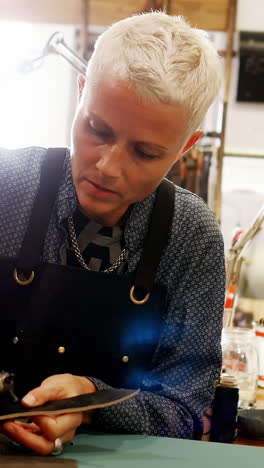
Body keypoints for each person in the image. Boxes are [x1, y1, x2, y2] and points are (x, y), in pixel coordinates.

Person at [0, 11, 225, 455]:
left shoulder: (193, 237)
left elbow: (183, 406)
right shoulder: (7, 188)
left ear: (185, 147)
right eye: (97, 130)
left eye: (145, 152)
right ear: (82, 93)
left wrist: (89, 402)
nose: (107, 167)